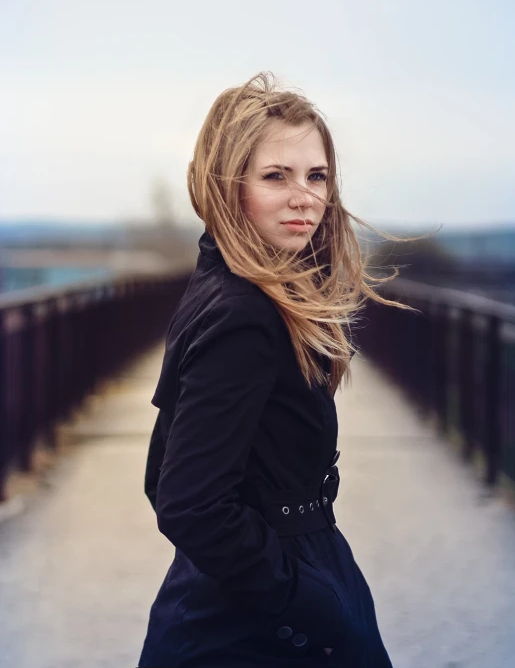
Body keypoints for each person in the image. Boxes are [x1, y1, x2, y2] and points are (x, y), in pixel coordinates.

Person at [137, 72, 411, 667]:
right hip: (258, 617)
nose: (305, 196)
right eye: (275, 176)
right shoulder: (244, 314)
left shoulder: (232, 289)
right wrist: (303, 598)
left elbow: (164, 478)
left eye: (317, 176)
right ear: (227, 186)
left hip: (256, 587)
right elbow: (187, 500)